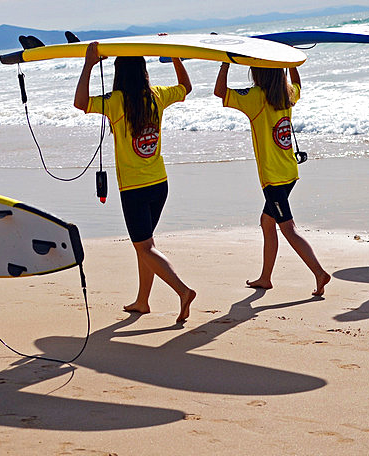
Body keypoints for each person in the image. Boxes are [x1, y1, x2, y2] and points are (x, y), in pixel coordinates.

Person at [74, 42, 196, 321]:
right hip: (160, 183)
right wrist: (176, 57)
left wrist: (89, 64)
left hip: (134, 189)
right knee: (147, 244)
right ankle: (142, 301)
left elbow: (80, 102)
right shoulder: (157, 96)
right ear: (143, 72)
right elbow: (186, 87)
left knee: (144, 247)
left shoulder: (116, 102)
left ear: (119, 74)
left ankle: (183, 291)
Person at [214, 63, 331, 296]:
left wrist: (225, 62)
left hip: (273, 178)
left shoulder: (257, 97)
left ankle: (319, 272)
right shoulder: (287, 94)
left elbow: (220, 92)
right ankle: (265, 278)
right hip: (288, 172)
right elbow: (298, 85)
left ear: (259, 73)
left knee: (288, 227)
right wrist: (292, 63)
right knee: (267, 222)